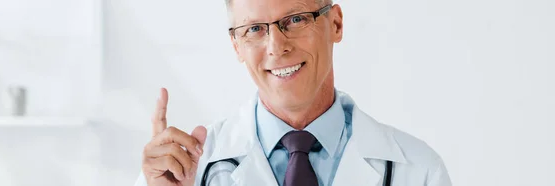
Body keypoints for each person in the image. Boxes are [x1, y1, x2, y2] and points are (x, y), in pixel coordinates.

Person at [134, 0, 452, 185]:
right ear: (236, 46)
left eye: (296, 19)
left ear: (336, 24)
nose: (277, 47)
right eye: (254, 29)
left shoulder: (418, 171)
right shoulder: (184, 175)